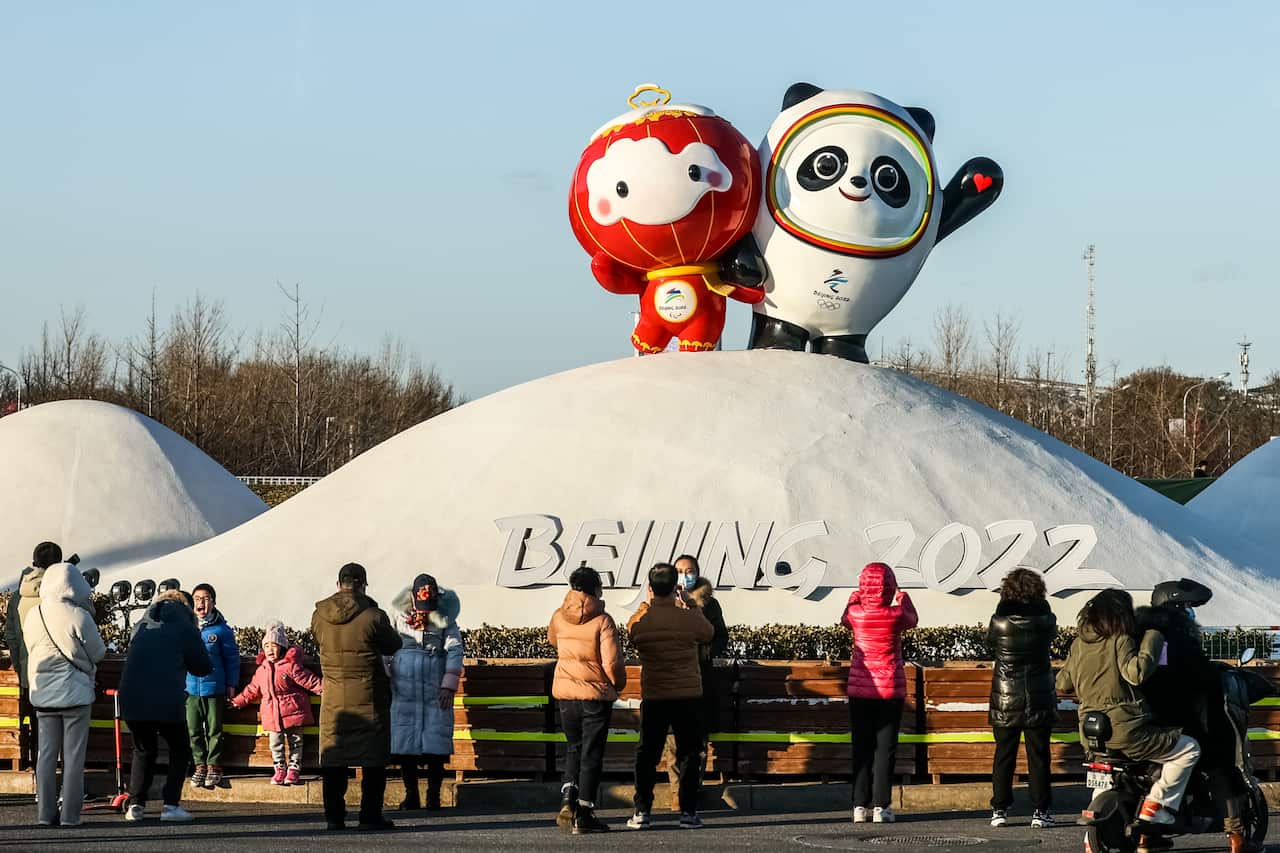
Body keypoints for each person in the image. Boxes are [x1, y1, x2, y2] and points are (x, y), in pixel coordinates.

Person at [1057, 589, 1200, 839]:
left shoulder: (1079, 643)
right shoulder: (1120, 640)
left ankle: (1095, 837)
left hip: (1090, 732)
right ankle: (1157, 805)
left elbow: (1063, 683)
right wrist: (1153, 638)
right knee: (1189, 749)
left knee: (1105, 770)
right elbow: (1136, 674)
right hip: (1126, 729)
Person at [1137, 579, 1255, 853]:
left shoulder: (1144, 634)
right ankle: (1237, 837)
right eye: (1189, 606)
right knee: (1222, 763)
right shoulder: (1178, 635)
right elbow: (1198, 676)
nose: (1192, 612)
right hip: (1187, 720)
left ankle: (1148, 835)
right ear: (1177, 606)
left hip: (1148, 722)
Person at [311, 562, 402, 832]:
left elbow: (317, 640)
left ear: (338, 584)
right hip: (369, 697)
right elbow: (393, 644)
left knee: (334, 760)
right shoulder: (374, 615)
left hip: (333, 700)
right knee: (373, 761)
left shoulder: (319, 615)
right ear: (363, 584)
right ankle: (370, 815)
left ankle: (334, 818)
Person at [625, 562, 714, 830]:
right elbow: (708, 633)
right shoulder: (688, 617)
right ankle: (688, 812)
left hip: (655, 695)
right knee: (689, 752)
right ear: (676, 587)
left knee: (647, 754)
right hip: (687, 696)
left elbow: (632, 632)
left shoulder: (643, 619)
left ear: (650, 588)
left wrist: (646, 604)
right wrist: (690, 604)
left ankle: (642, 810)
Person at [21, 561, 106, 827]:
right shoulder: (79, 616)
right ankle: (70, 816)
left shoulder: (34, 615)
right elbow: (98, 652)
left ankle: (45, 814)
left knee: (45, 757)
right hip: (75, 696)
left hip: (44, 696)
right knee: (73, 758)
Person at [118, 589, 212, 823]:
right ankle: (170, 805)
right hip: (166, 698)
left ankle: (136, 805)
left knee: (143, 750)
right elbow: (203, 666)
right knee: (180, 749)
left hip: (132, 698)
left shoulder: (141, 624)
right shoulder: (184, 627)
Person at [548, 566, 626, 834]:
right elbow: (612, 662)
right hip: (595, 696)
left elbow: (553, 641)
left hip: (566, 695)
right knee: (591, 754)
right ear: (595, 589)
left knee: (574, 748)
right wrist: (619, 685)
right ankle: (584, 812)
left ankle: (567, 798)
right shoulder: (603, 620)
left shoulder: (559, 616)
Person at [842, 561, 918, 824]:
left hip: (859, 691)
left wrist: (856, 595)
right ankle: (881, 807)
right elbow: (913, 618)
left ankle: (858, 806)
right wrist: (902, 595)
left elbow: (844, 617)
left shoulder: (855, 613)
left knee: (861, 747)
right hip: (889, 691)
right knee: (885, 749)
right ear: (889, 585)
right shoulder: (896, 615)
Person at [986, 568, 1058, 829]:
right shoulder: (1047, 619)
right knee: (1038, 755)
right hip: (1038, 695)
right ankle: (1040, 811)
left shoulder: (1000, 620)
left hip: (1006, 696)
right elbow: (1051, 638)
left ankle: (1000, 809)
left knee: (1004, 753)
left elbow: (990, 642)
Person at [390, 573, 463, 812]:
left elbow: (454, 649)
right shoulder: (397, 615)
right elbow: (385, 647)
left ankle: (434, 796)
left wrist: (448, 685)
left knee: (436, 744)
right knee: (406, 745)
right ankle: (411, 796)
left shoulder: (446, 619)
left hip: (434, 685)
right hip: (404, 687)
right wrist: (387, 672)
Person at [660, 554, 728, 807]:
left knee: (697, 742)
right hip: (673, 679)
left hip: (700, 679)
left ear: (697, 573)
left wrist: (703, 654)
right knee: (673, 741)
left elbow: (721, 638)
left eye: (689, 570)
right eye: (678, 570)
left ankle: (691, 789)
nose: (684, 575)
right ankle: (678, 792)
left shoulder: (710, 604)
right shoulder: (661, 602)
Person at [230, 621, 323, 785]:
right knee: (275, 744)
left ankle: (294, 769)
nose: (270, 650)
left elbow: (309, 680)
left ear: (282, 647)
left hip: (293, 712)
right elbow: (252, 689)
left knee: (296, 742)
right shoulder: (262, 670)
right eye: (267, 646)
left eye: (274, 646)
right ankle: (279, 768)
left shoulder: (291, 666)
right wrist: (237, 701)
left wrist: (325, 690)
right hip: (272, 715)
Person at [5, 541, 63, 770]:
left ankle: (42, 778)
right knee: (65, 728)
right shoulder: (60, 592)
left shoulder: (19, 595)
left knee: (40, 729)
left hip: (31, 673)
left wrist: (21, 667)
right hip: (59, 672)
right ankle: (64, 782)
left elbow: (11, 635)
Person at [186, 583, 241, 790]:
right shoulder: (186, 627)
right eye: (197, 598)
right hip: (190, 689)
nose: (201, 602)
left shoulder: (222, 630)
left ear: (214, 602)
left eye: (206, 598)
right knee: (193, 729)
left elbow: (232, 659)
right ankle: (199, 765)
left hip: (214, 687)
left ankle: (214, 765)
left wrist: (231, 684)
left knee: (215, 729)